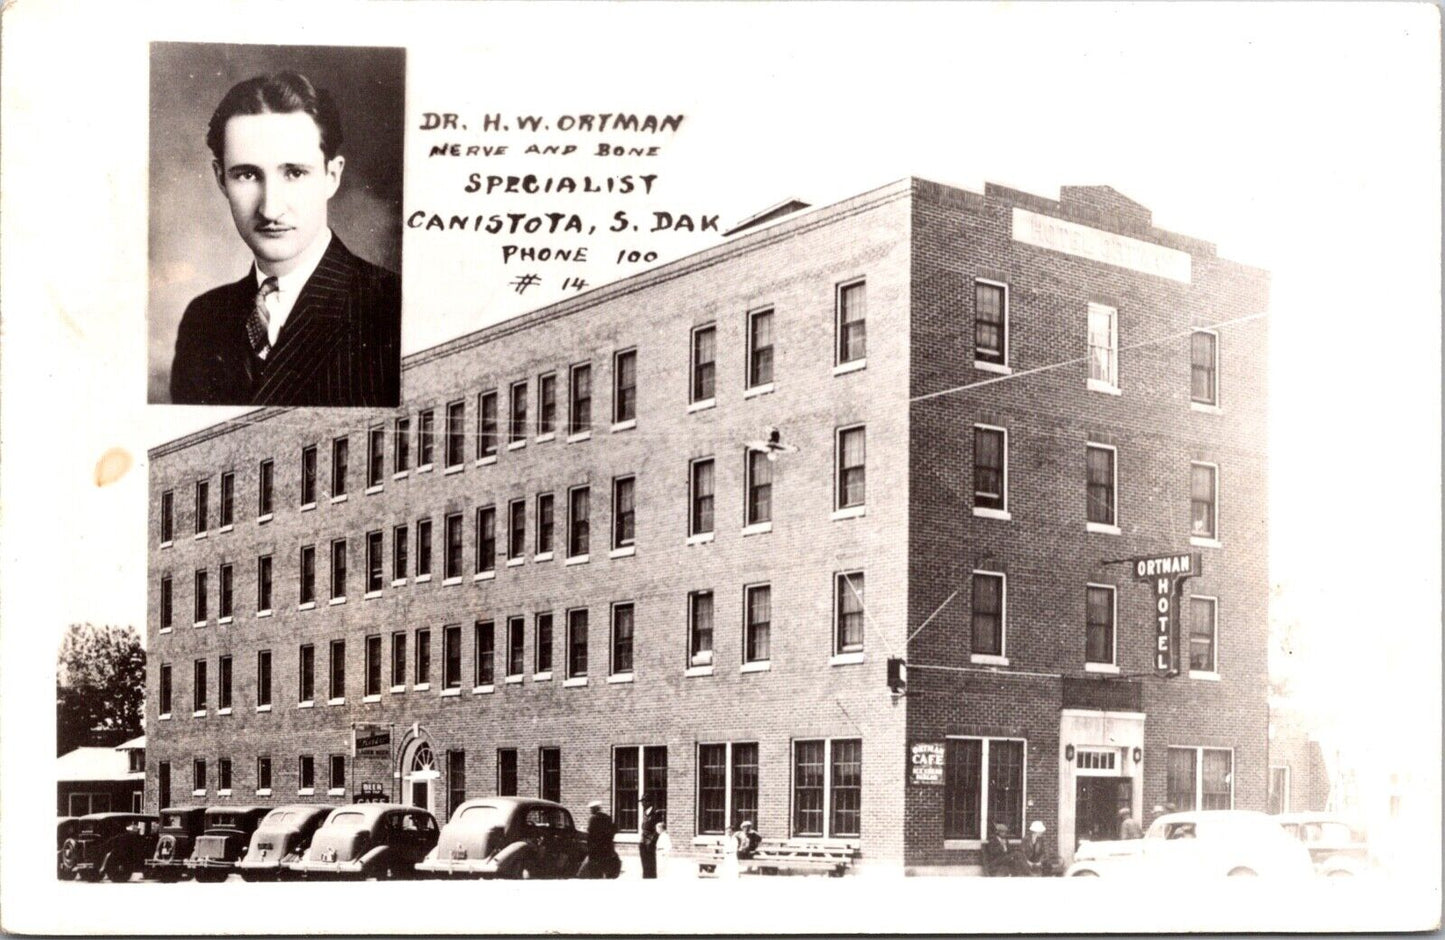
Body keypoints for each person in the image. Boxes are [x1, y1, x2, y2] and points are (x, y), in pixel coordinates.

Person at [169, 70, 401, 407]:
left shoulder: (390, 308)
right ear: (221, 179)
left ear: (331, 177)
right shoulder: (203, 320)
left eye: (294, 173)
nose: (270, 208)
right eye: (247, 175)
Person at [579, 800, 620, 879]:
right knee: (605, 867)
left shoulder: (593, 819)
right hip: (607, 847)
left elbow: (590, 833)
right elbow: (614, 829)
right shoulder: (607, 817)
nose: (590, 811)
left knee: (595, 870)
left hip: (595, 848)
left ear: (595, 809)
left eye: (591, 809)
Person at [638, 793, 661, 879]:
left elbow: (658, 830)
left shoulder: (656, 813)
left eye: (643, 802)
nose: (642, 804)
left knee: (651, 866)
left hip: (650, 843)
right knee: (644, 866)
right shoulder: (645, 813)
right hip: (643, 842)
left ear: (648, 802)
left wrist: (652, 841)